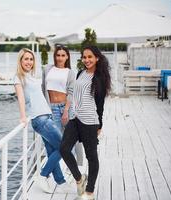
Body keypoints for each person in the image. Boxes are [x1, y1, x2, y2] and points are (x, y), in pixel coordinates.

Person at [14, 48, 72, 194]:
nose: (29, 62)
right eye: (26, 59)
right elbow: (20, 98)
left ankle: (60, 181)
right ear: (20, 61)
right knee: (65, 147)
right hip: (39, 119)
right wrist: (22, 116)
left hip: (47, 115)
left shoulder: (32, 76)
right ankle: (43, 175)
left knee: (53, 149)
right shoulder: (18, 77)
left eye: (31, 59)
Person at [60, 46, 111, 200]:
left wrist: (99, 125)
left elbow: (100, 104)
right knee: (64, 149)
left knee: (91, 157)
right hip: (75, 119)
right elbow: (75, 95)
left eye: (90, 57)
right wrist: (69, 111)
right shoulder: (81, 73)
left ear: (97, 58)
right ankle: (79, 179)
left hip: (89, 121)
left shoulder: (99, 77)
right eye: (84, 57)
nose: (87, 60)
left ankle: (89, 192)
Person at [42, 44, 83, 166]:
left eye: (63, 55)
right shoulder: (47, 69)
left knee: (73, 139)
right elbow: (43, 88)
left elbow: (71, 93)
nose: (60, 58)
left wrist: (65, 111)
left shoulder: (70, 73)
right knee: (56, 140)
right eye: (58, 55)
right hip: (52, 108)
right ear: (54, 56)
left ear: (67, 57)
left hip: (66, 108)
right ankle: (56, 168)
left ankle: (78, 165)